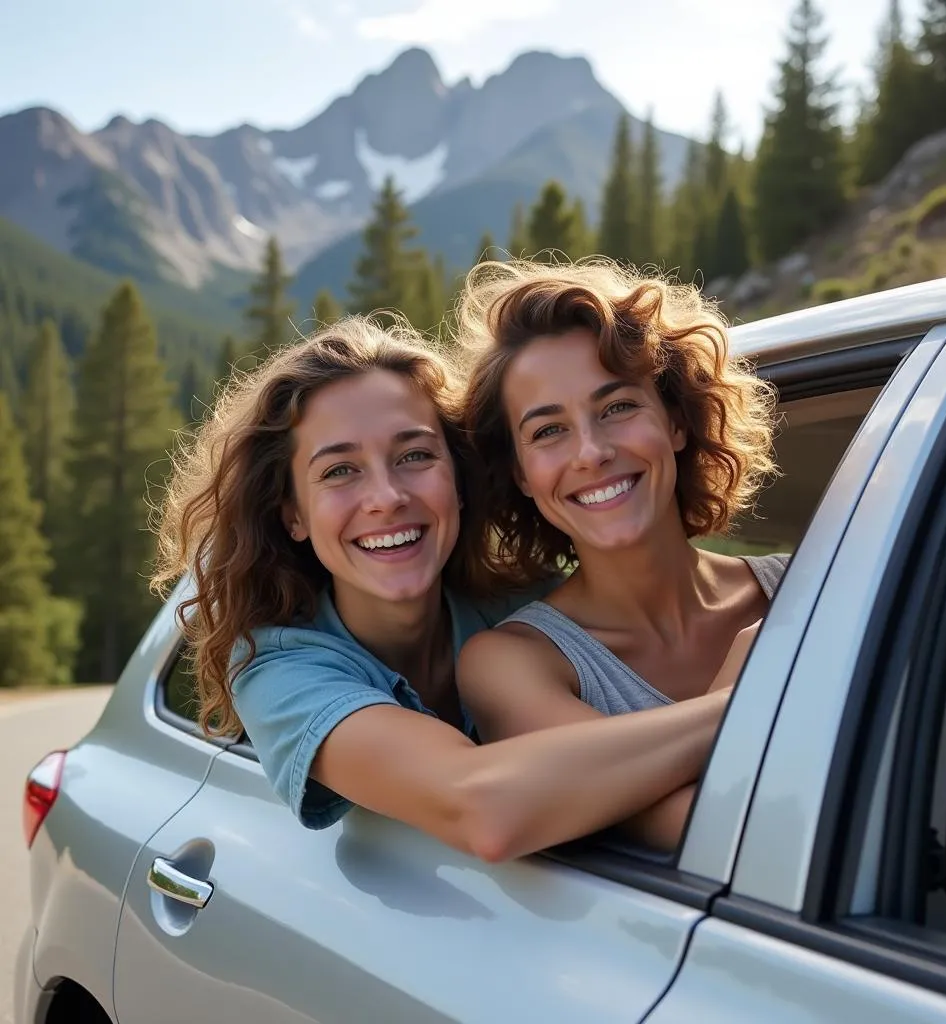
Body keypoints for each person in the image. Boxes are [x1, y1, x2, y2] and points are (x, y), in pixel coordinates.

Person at [150, 316, 749, 864]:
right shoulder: (282, 673)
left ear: (459, 480)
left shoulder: (532, 608)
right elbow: (483, 807)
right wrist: (760, 693)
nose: (387, 496)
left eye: (414, 455)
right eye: (339, 470)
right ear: (292, 516)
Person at [453, 259, 789, 851]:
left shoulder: (816, 584)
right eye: (548, 431)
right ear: (521, 474)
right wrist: (753, 691)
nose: (592, 452)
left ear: (676, 423)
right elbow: (722, 839)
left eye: (617, 408)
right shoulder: (512, 664)